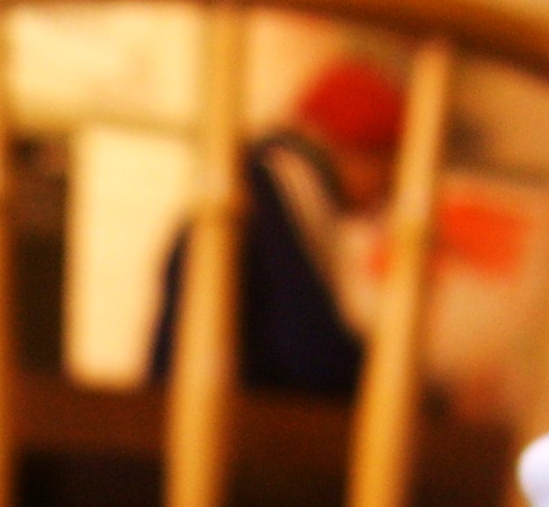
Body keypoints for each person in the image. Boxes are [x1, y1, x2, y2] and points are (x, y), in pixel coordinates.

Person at [149, 56, 405, 396]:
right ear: (359, 150)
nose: (389, 190)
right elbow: (311, 355)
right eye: (389, 163)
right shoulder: (281, 196)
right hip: (232, 415)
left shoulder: (261, 183)